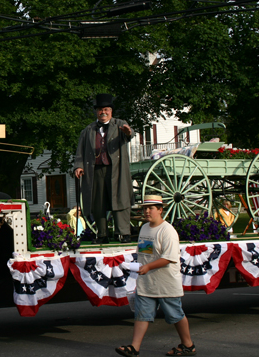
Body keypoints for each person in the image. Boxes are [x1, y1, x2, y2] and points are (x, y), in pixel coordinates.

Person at [115, 194, 196, 357]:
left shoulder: (168, 231)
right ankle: (134, 347)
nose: (146, 211)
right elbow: (146, 253)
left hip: (165, 283)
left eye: (151, 208)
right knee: (141, 314)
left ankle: (188, 344)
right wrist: (136, 267)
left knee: (175, 314)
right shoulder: (145, 228)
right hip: (147, 282)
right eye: (145, 208)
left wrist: (147, 267)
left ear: (160, 210)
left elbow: (169, 258)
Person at [73, 93, 133, 244]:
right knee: (97, 203)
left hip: (116, 170)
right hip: (95, 171)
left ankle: (123, 234)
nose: (103, 112)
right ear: (96, 112)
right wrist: (79, 166)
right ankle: (102, 234)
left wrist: (128, 133)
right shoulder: (88, 130)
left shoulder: (119, 124)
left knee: (119, 200)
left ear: (111, 111)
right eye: (100, 110)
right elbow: (80, 151)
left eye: (106, 109)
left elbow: (129, 134)